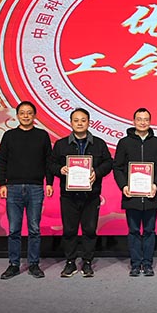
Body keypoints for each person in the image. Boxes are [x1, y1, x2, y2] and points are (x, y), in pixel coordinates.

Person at [50, 108, 113, 278]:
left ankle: (87, 262)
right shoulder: (61, 144)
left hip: (91, 195)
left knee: (89, 230)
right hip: (68, 196)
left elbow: (109, 163)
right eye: (76, 120)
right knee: (69, 230)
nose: (79, 123)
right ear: (71, 123)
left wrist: (97, 172)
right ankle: (70, 262)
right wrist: (60, 169)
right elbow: (51, 164)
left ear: (89, 122)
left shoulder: (99, 144)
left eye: (83, 120)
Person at [0, 101, 54, 280]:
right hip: (13, 188)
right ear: (17, 115)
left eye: (29, 113)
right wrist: (2, 184)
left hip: (36, 188)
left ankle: (34, 264)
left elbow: (48, 161)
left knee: (34, 228)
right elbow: (2, 161)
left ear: (34, 115)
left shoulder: (42, 135)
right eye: (22, 113)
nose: (26, 116)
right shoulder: (9, 135)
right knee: (14, 229)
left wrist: (49, 182)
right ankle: (13, 264)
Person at [113, 108, 157, 277]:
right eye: (139, 119)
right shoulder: (124, 142)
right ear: (134, 121)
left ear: (150, 122)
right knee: (133, 230)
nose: (142, 122)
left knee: (150, 230)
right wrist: (123, 186)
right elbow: (117, 167)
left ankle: (148, 263)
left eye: (146, 119)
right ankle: (136, 264)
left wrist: (155, 184)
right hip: (131, 195)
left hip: (151, 195)